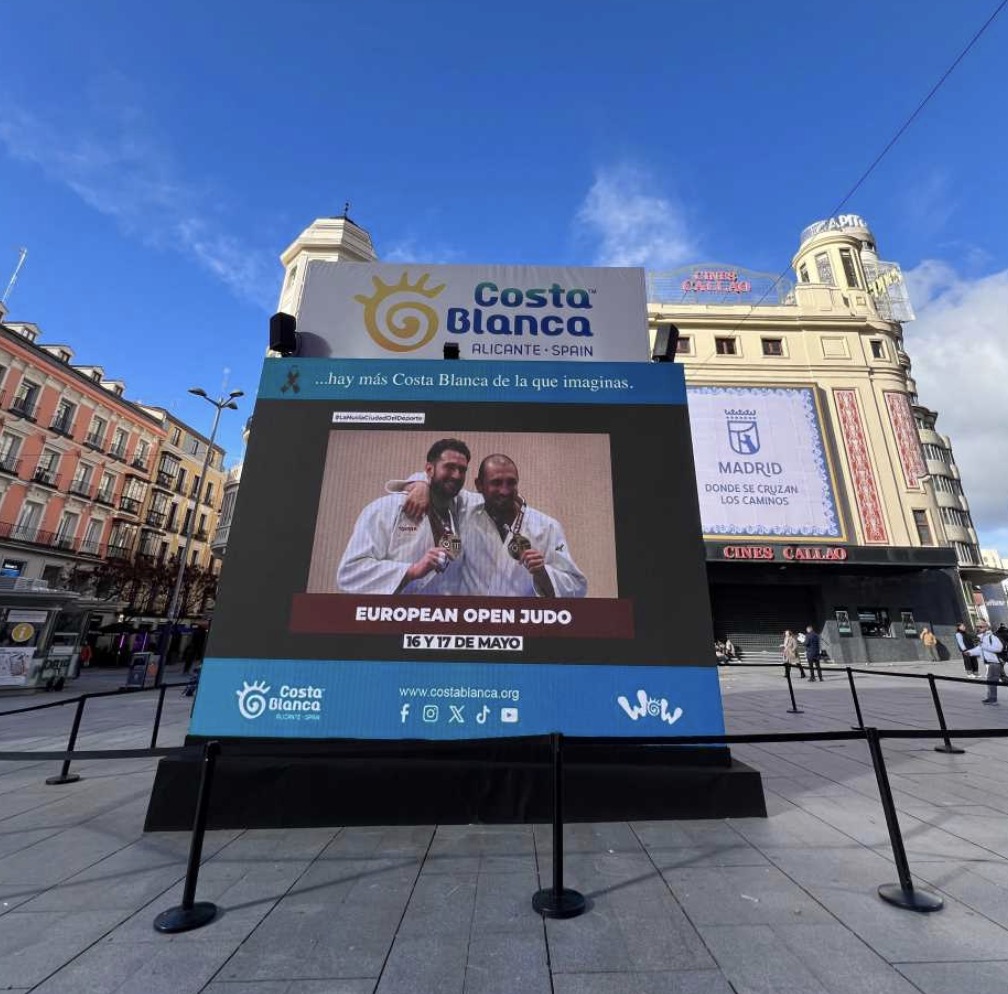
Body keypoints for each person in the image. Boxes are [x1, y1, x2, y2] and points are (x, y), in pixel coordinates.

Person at [395, 453, 587, 598]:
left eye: (511, 482)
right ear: (479, 485)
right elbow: (435, 479)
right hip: (471, 622)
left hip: (520, 625)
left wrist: (542, 572)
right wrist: (421, 485)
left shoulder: (547, 526)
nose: (504, 490)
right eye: (496, 483)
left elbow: (575, 586)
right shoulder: (466, 508)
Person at [336, 438, 471, 594]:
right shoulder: (385, 509)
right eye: (449, 467)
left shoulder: (461, 510)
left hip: (442, 615)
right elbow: (349, 573)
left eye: (462, 470)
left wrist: (419, 483)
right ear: (429, 469)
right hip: (393, 614)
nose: (456, 475)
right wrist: (411, 571)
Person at [964, 620, 1005, 704]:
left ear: (986, 627)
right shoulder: (982, 638)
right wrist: (970, 652)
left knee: (991, 680)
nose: (978, 628)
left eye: (981, 626)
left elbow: (999, 648)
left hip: (995, 662)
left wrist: (983, 645)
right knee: (1002, 679)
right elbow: (980, 649)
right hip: (992, 662)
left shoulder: (991, 637)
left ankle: (993, 699)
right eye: (977, 626)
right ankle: (991, 698)